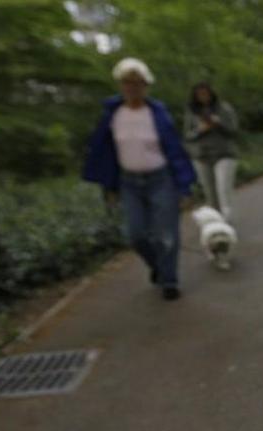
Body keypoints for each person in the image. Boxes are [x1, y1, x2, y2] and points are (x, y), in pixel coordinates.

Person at [82, 57, 196, 301]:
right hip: (129, 182)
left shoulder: (158, 114)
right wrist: (109, 187)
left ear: (146, 85)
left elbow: (174, 150)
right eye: (127, 83)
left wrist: (184, 187)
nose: (132, 87)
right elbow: (105, 153)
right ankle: (158, 265)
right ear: (121, 85)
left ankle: (169, 280)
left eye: (137, 83)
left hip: (161, 179)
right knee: (135, 235)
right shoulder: (113, 115)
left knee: (166, 235)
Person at [184, 82, 240, 220]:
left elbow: (234, 130)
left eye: (206, 93)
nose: (203, 96)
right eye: (200, 94)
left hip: (224, 154)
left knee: (223, 190)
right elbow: (187, 134)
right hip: (202, 156)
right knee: (210, 194)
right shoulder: (192, 112)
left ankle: (226, 220)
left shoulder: (224, 108)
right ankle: (216, 222)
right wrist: (200, 130)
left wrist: (219, 123)